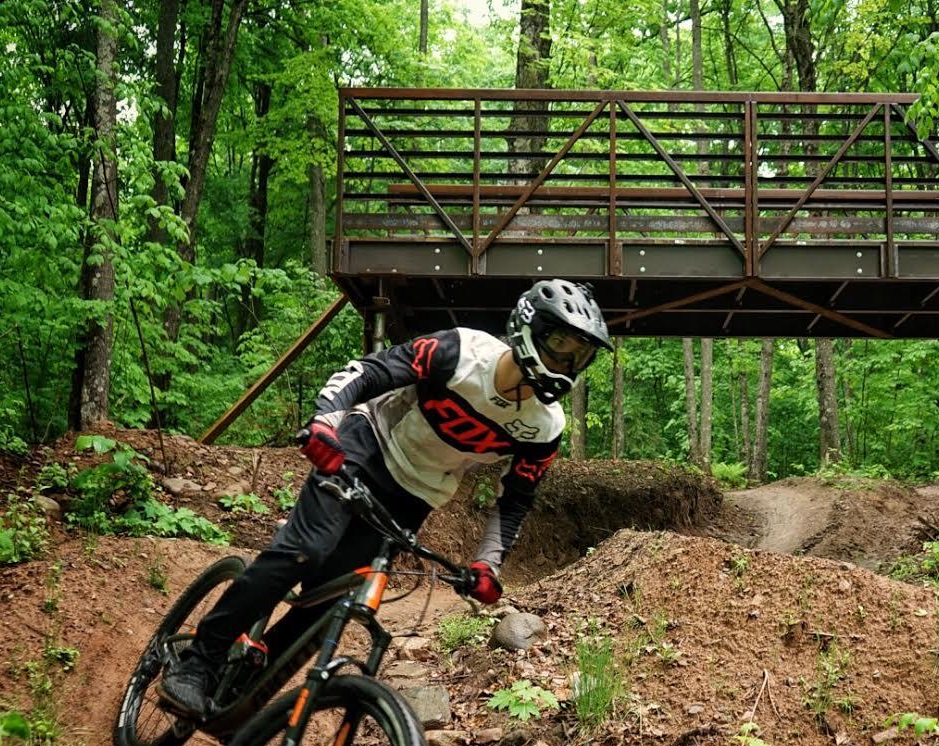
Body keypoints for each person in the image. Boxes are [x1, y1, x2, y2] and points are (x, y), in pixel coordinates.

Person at [158, 278, 612, 718]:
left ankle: (239, 699)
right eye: (561, 347)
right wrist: (324, 421)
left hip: (412, 498)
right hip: (363, 447)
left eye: (581, 357)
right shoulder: (460, 353)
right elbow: (370, 372)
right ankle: (201, 659)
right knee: (305, 551)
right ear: (528, 329)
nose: (568, 364)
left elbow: (516, 499)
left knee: (329, 606)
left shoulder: (545, 427)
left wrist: (487, 563)